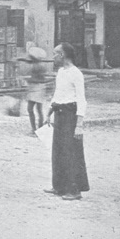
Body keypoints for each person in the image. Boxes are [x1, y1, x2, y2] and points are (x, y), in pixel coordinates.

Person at [48, 42, 90, 201]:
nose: (53, 57)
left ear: (63, 55)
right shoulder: (60, 72)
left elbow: (82, 100)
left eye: (55, 53)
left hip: (71, 116)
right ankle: (59, 186)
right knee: (58, 151)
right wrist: (50, 110)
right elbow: (58, 93)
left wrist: (79, 124)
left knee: (71, 152)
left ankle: (74, 190)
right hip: (59, 113)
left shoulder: (76, 73)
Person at [21, 43, 52, 136]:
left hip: (37, 87)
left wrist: (27, 79)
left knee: (31, 109)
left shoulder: (38, 66)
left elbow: (39, 79)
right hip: (37, 88)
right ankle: (38, 129)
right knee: (38, 109)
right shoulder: (38, 64)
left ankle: (36, 129)